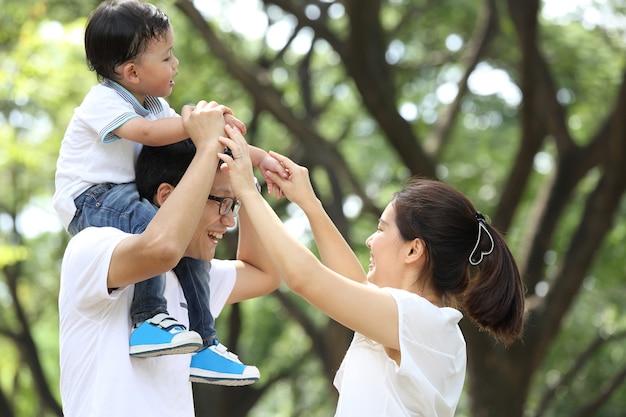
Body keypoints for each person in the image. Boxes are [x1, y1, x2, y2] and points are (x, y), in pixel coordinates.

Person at [220, 125, 526, 417]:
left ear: (413, 250)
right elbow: (355, 287)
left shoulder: (426, 322)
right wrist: (309, 203)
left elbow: (307, 279)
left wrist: (249, 190)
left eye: (381, 229)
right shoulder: (414, 323)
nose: (370, 240)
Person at [53, 0, 284, 382]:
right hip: (91, 198)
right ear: (130, 71)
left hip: (125, 194)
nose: (175, 64)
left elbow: (195, 139)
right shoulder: (103, 101)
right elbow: (146, 134)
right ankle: (147, 319)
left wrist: (257, 160)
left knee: (191, 255)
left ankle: (205, 343)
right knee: (156, 228)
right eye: (166, 57)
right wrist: (196, 126)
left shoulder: (156, 105)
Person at [59, 102, 280, 416]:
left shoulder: (192, 275)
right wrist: (205, 150)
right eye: (220, 202)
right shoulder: (95, 248)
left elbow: (264, 273)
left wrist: (249, 187)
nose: (229, 221)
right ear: (166, 196)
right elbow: (160, 250)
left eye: (235, 205)